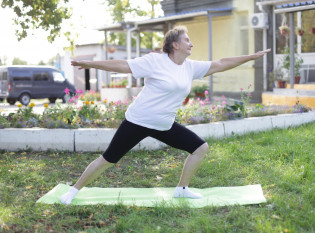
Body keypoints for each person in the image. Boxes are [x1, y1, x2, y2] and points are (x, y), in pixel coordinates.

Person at [60, 25, 270, 205]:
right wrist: (89, 64)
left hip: (164, 125)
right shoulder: (155, 61)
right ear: (175, 45)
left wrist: (251, 57)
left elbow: (221, 63)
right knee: (108, 159)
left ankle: (182, 189)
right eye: (187, 40)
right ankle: (74, 190)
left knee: (200, 148)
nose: (191, 44)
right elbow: (124, 65)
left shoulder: (190, 67)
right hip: (138, 121)